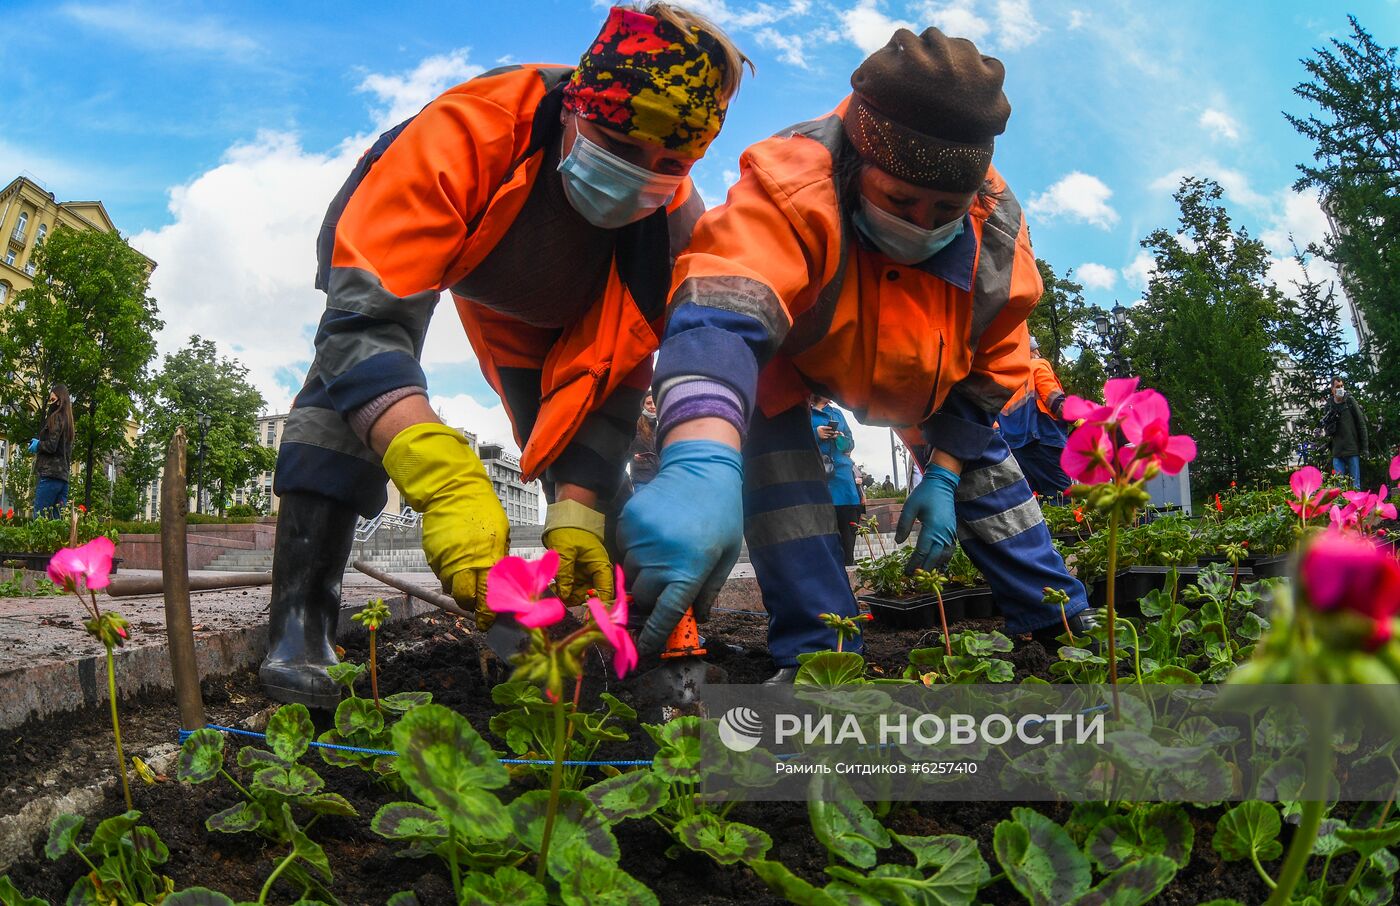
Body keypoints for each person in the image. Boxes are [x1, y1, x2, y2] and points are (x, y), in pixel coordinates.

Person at [261, 4, 749, 708]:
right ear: (579, 106)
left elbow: (614, 373)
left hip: (553, 305)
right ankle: (302, 625)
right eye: (617, 141)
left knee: (582, 462)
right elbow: (364, 330)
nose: (639, 176)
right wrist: (445, 482)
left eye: (669, 163)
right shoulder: (470, 130)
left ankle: (622, 643)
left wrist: (579, 503)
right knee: (348, 390)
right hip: (422, 241)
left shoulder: (671, 228)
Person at [618, 26, 1091, 679]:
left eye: (943, 210)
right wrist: (701, 452)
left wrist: (945, 472)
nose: (921, 225)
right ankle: (819, 654)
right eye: (899, 201)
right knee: (780, 481)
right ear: (854, 164)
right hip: (796, 358)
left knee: (995, 483)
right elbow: (723, 303)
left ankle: (1063, 623)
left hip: (928, 375)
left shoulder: (997, 228)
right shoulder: (792, 180)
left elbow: (994, 364)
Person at [1000, 336, 1071, 498]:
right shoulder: (1038, 365)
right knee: (1062, 498)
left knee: (1033, 499)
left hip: (1016, 448)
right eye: (1036, 349)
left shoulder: (1007, 380)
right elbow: (1055, 401)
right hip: (1043, 440)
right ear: (1031, 351)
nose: (1038, 352)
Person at [809, 395, 861, 565]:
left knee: (847, 528)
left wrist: (840, 437)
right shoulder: (803, 413)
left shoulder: (837, 413)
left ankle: (848, 563)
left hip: (842, 478)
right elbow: (789, 439)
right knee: (820, 529)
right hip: (815, 476)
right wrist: (816, 433)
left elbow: (850, 444)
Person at [31, 384, 74, 518]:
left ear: (60, 400)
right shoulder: (69, 423)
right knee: (57, 523)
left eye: (52, 400)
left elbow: (51, 446)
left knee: (40, 519)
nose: (50, 403)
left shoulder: (56, 418)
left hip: (50, 476)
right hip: (63, 479)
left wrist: (37, 445)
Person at [1323, 377, 1367, 488]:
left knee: (1355, 484)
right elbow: (1326, 429)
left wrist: (1365, 447)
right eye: (1337, 387)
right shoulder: (1329, 405)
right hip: (1337, 450)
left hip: (1352, 448)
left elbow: (1361, 423)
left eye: (1342, 386)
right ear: (1332, 389)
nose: (1340, 389)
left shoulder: (1350, 401)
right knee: (1339, 486)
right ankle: (1341, 505)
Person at [628, 392, 660, 488]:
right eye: (649, 403)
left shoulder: (663, 424)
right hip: (642, 478)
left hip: (663, 477)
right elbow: (623, 449)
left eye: (655, 403)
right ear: (642, 405)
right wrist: (632, 456)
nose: (653, 406)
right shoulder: (634, 424)